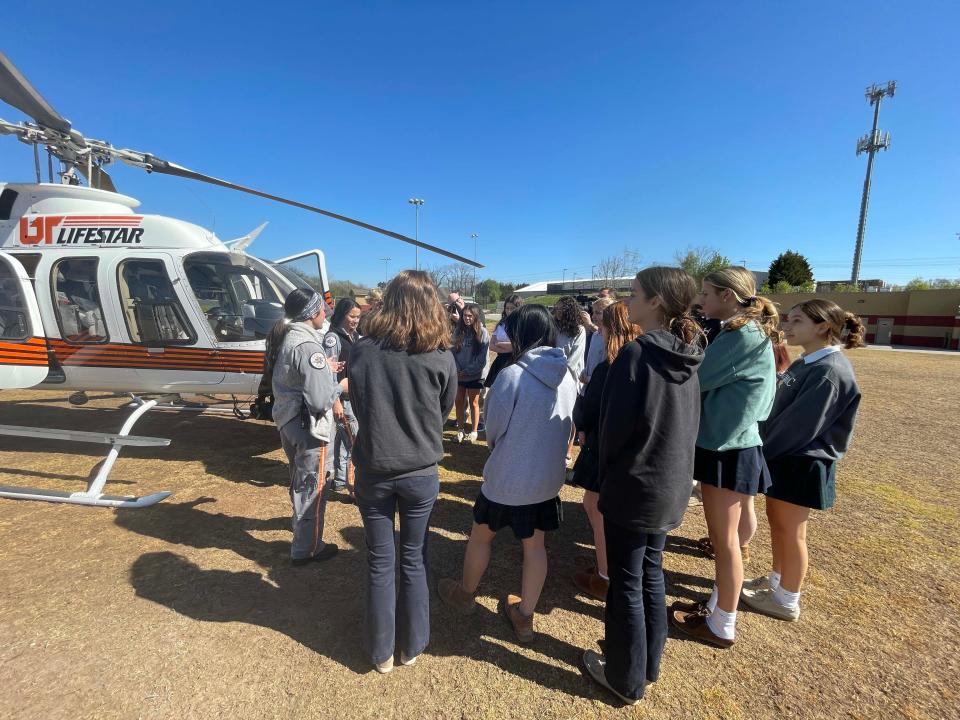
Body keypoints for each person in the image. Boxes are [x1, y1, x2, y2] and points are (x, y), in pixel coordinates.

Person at [582, 267, 704, 705]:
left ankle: (626, 679)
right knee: (650, 575)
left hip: (635, 487)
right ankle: (646, 663)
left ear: (655, 302)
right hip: (669, 485)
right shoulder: (687, 353)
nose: (628, 301)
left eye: (634, 294)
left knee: (627, 584)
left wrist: (608, 473)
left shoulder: (637, 355)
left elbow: (612, 430)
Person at [438, 304, 578, 642]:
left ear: (521, 334)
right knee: (536, 547)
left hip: (508, 478)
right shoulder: (568, 376)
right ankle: (525, 616)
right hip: (545, 480)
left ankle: (466, 594)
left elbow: (494, 430)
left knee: (481, 536)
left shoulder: (512, 375)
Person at [348, 270, 458, 674]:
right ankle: (411, 644)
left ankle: (380, 652)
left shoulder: (362, 351)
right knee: (412, 559)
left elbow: (361, 406)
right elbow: (442, 412)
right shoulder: (441, 356)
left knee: (381, 560)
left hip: (375, 467)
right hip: (419, 471)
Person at [671, 267, 780, 649]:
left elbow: (695, 376)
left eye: (706, 293)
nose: (701, 300)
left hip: (728, 449)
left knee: (725, 541)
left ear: (729, 296)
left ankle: (722, 623)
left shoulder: (741, 335)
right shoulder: (743, 331)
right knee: (725, 538)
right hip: (730, 445)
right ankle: (720, 606)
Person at [740, 300, 864, 621]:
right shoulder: (808, 361)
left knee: (792, 532)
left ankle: (786, 600)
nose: (788, 327)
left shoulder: (829, 371)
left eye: (797, 321)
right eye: (788, 320)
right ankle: (778, 582)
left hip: (801, 462)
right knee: (779, 526)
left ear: (823, 327)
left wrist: (760, 452)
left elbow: (798, 427)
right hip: (785, 459)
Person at [269, 288, 346, 566]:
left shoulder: (288, 338)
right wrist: (340, 385)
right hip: (309, 428)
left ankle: (301, 533)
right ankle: (307, 548)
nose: (325, 312)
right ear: (312, 312)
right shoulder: (308, 346)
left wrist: (323, 369)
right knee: (312, 487)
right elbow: (318, 399)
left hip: (288, 421)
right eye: (322, 308)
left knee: (300, 481)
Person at [571, 301, 641, 601]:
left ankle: (605, 575)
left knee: (596, 507)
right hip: (632, 449)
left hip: (605, 447)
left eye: (603, 324)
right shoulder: (643, 360)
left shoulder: (610, 366)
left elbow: (589, 407)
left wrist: (581, 421)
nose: (598, 328)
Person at [323, 298, 362, 493]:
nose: (356, 320)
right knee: (353, 440)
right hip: (342, 398)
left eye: (358, 317)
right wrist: (335, 401)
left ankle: (339, 479)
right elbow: (329, 372)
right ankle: (351, 485)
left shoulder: (353, 336)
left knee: (343, 440)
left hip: (352, 397)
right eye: (352, 316)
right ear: (341, 315)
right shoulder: (333, 338)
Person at [452, 303, 490, 444]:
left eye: (470, 316)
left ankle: (473, 431)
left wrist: (467, 371)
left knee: (474, 402)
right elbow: (452, 351)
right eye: (464, 316)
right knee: (459, 401)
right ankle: (460, 430)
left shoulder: (483, 332)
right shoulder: (458, 331)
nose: (467, 318)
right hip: (459, 372)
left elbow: (482, 359)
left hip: (474, 374)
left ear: (475, 317)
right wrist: (457, 369)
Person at [485, 294, 523, 390]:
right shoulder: (501, 325)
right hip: (500, 361)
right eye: (507, 308)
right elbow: (491, 346)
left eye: (512, 308)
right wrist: (510, 347)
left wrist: (499, 344)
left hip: (515, 362)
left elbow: (519, 347)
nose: (509, 311)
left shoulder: (522, 325)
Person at [581, 297, 617, 385]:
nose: (593, 316)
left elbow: (608, 371)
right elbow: (591, 360)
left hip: (599, 390)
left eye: (598, 313)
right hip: (587, 389)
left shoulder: (613, 339)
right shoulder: (595, 335)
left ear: (610, 314)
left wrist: (589, 379)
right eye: (593, 312)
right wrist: (584, 372)